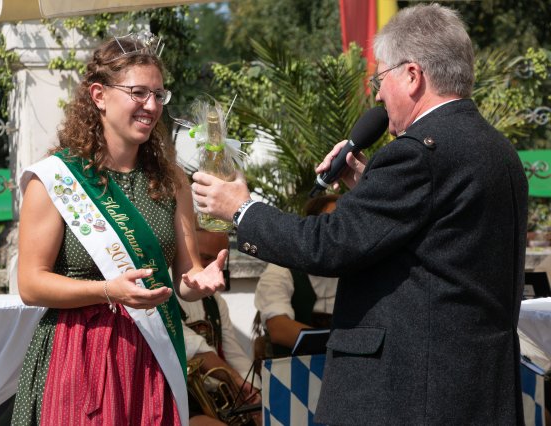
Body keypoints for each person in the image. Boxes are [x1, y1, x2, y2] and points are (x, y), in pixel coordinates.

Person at [191, 4, 528, 425]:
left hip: (409, 396)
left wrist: (241, 208)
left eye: (380, 78)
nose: (377, 94)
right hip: (473, 389)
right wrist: (368, 184)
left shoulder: (420, 153)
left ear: (412, 74)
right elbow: (435, 242)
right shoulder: (497, 150)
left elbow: (328, 245)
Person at [12, 32, 227, 426]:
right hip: (79, 355)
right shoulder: (56, 179)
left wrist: (200, 279)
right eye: (139, 93)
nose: (152, 106)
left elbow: (184, 274)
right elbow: (30, 284)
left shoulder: (172, 180)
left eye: (159, 95)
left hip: (152, 355)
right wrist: (107, 290)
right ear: (98, 95)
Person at [181, 226, 261, 426]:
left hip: (211, 397)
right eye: (205, 258)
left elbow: (233, 352)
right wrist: (235, 380)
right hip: (177, 396)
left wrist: (253, 391)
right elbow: (192, 348)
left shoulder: (216, 301)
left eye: (219, 261)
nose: (213, 268)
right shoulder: (162, 294)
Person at [254, 194, 338, 358]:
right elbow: (279, 329)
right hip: (293, 373)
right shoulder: (282, 269)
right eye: (333, 224)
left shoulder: (356, 270)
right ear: (312, 228)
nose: (340, 233)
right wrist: (342, 346)